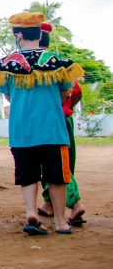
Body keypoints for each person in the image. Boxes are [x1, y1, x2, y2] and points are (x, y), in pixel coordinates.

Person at [0, 11, 83, 235]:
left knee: (27, 175)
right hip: (53, 129)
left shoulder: (6, 65)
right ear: (40, 34)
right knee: (57, 177)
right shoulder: (60, 63)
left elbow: (9, 97)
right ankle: (60, 221)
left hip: (21, 131)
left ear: (19, 35)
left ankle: (31, 212)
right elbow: (64, 95)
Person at [36, 23, 86, 226]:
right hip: (66, 119)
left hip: (49, 122)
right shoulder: (61, 64)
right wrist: (66, 107)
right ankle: (49, 204)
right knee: (62, 164)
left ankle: (75, 204)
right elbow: (77, 92)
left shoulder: (38, 66)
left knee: (55, 166)